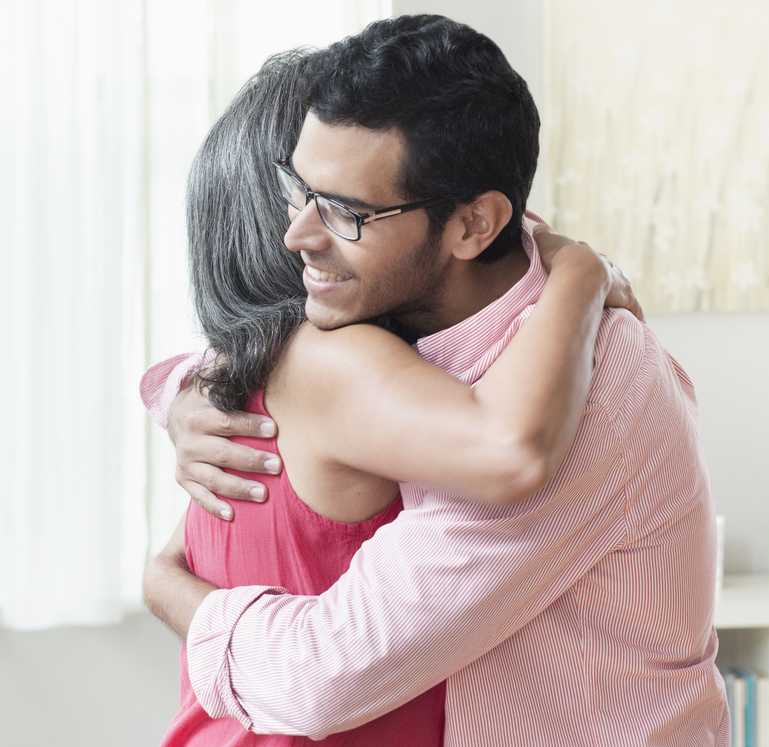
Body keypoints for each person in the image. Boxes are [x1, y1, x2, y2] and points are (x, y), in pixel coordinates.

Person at [142, 15, 729, 745]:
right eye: (302, 190)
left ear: (472, 227)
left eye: (347, 213)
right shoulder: (416, 324)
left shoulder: (579, 392)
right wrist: (188, 392)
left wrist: (166, 584)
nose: (297, 235)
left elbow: (317, 675)